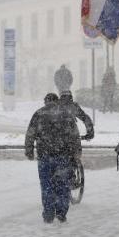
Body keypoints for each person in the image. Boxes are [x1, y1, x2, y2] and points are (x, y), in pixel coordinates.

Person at [25, 93, 80, 223]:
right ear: (57, 101)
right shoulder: (66, 114)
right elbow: (75, 135)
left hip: (45, 156)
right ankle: (61, 212)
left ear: (45, 102)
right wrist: (76, 152)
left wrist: (29, 150)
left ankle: (49, 213)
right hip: (63, 156)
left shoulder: (39, 114)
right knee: (62, 185)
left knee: (46, 185)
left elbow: (30, 133)